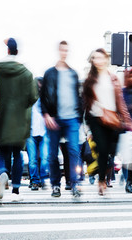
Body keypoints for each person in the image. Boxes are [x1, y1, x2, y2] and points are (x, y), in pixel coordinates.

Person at [82, 48, 132, 196]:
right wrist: (87, 128)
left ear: (105, 59)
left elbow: (121, 102)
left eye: (100, 58)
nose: (98, 61)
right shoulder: (90, 80)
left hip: (112, 119)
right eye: (94, 58)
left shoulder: (113, 78)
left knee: (111, 150)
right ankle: (101, 181)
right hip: (96, 118)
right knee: (103, 149)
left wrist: (128, 120)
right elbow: (85, 104)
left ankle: (103, 175)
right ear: (92, 61)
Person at [0, 38, 38, 202]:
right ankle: (16, 191)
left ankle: (2, 173)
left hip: (0, 116)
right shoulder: (26, 73)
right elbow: (33, 97)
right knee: (17, 154)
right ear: (17, 52)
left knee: (0, 150)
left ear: (7, 51)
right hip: (19, 119)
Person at [41, 41, 82, 198]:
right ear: (59, 51)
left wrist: (79, 117)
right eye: (62, 50)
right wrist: (46, 115)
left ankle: (74, 185)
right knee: (52, 154)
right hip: (55, 118)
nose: (64, 52)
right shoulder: (49, 73)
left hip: (72, 118)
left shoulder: (73, 73)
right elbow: (43, 96)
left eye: (67, 50)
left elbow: (78, 96)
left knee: (74, 151)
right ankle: (55, 185)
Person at [26, 77, 49, 191]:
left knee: (45, 158)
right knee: (33, 160)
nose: (39, 86)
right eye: (38, 84)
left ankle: (43, 179)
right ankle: (35, 181)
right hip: (31, 132)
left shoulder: (46, 98)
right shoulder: (28, 100)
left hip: (44, 132)